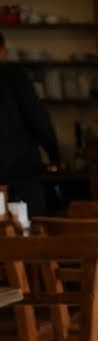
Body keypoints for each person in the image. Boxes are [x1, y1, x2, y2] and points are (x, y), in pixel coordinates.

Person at [0, 31, 61, 216]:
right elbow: (36, 117)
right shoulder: (12, 74)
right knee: (31, 229)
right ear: (2, 50)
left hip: (15, 166)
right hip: (18, 169)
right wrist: (54, 153)